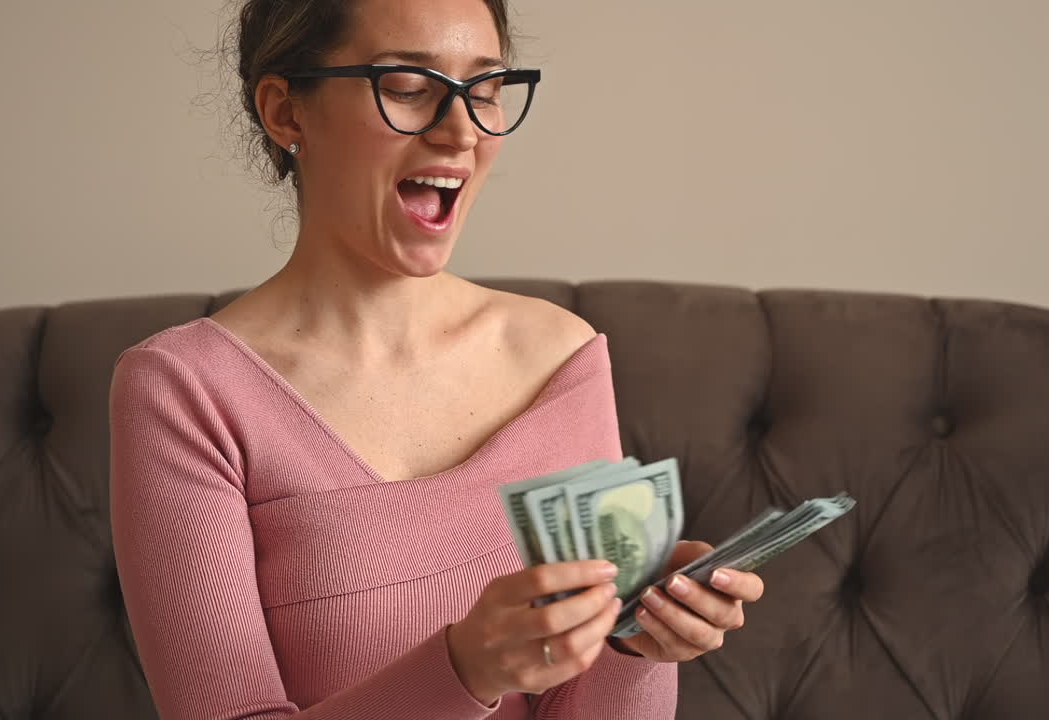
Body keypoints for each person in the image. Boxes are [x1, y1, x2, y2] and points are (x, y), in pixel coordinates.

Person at [108, 0, 765, 717]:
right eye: (408, 88)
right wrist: (463, 670)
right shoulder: (184, 390)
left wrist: (635, 646)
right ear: (286, 112)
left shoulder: (561, 358)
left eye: (484, 91)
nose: (460, 132)